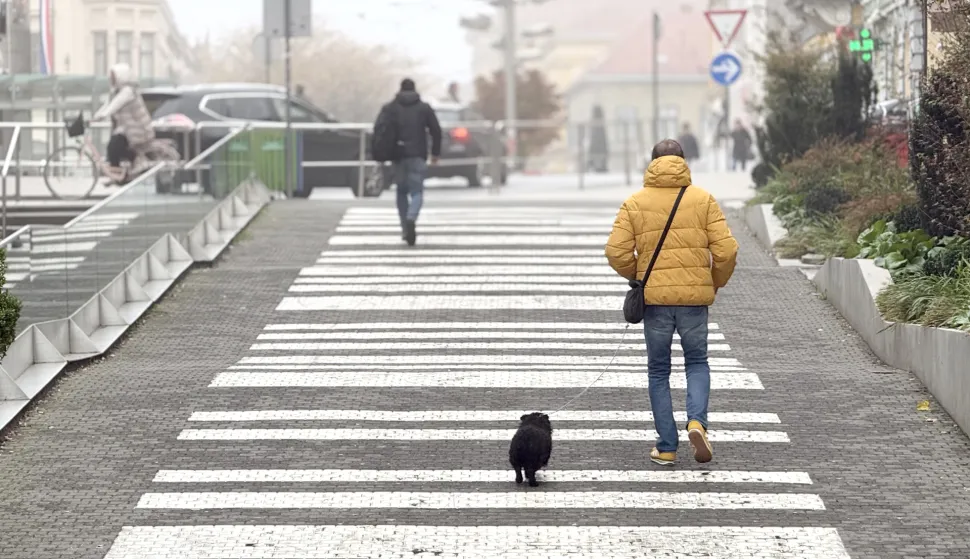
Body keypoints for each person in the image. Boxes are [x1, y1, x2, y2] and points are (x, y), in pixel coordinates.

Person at [604, 139, 739, 466]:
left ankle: (666, 446)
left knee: (658, 370)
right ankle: (696, 422)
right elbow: (727, 251)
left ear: (651, 163)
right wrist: (714, 282)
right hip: (693, 302)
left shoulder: (635, 203)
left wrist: (640, 277)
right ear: (683, 162)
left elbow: (615, 251)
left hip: (656, 303)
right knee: (697, 362)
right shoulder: (703, 200)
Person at [374, 78, 442, 246]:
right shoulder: (424, 108)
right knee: (417, 191)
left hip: (397, 155)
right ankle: (412, 217)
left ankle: (405, 226)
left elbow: (378, 130)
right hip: (418, 155)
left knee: (401, 191)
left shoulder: (390, 108)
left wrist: (379, 153)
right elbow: (436, 130)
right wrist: (435, 153)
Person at [92, 62, 155, 185]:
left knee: (114, 147)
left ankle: (135, 162)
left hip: (137, 128)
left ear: (121, 76)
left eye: (114, 76)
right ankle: (118, 174)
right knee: (113, 147)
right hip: (127, 128)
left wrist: (104, 115)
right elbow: (108, 104)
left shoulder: (128, 91)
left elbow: (115, 105)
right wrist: (96, 117)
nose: (111, 79)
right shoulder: (116, 91)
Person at [587, 105, 609, 173]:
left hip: (598, 144)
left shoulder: (597, 123)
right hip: (598, 144)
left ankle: (598, 166)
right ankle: (597, 166)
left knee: (598, 153)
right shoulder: (597, 123)